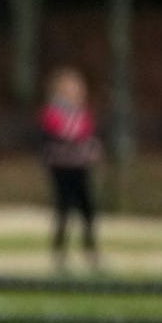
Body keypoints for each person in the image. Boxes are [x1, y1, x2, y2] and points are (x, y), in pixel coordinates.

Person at [40, 67, 101, 272]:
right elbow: (66, 133)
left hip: (80, 167)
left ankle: (91, 252)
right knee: (63, 210)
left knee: (88, 210)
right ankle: (60, 254)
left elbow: (88, 136)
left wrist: (89, 147)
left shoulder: (82, 112)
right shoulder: (53, 112)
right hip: (61, 168)